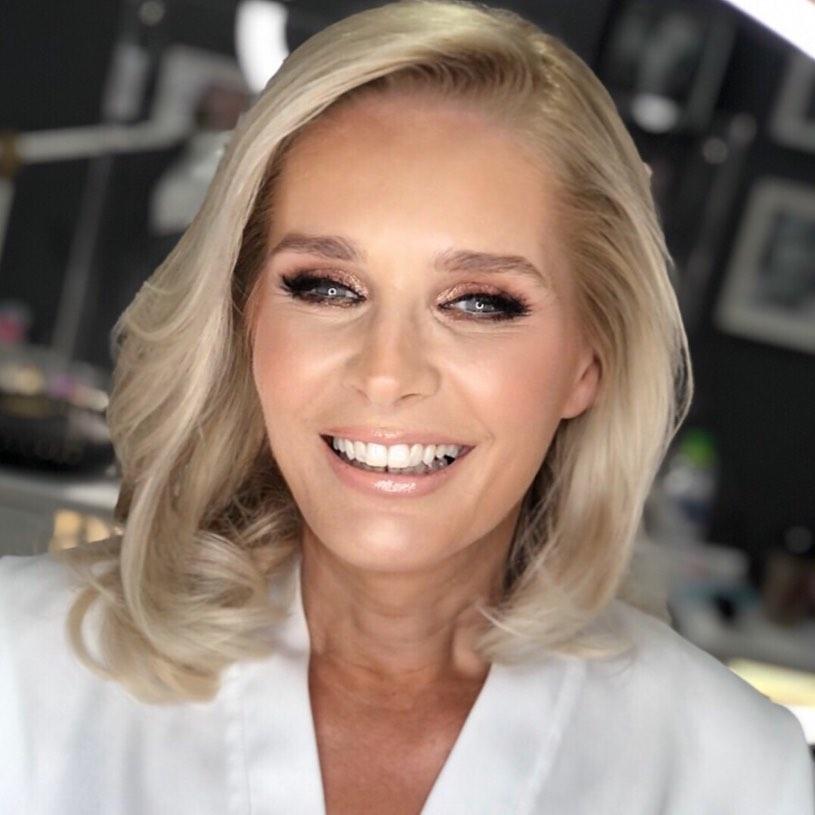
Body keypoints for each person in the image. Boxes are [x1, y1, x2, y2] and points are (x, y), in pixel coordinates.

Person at [1, 1, 812, 813]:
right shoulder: (20, 663)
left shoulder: (735, 774)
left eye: (478, 303)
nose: (386, 374)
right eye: (327, 287)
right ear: (245, 318)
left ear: (587, 362)